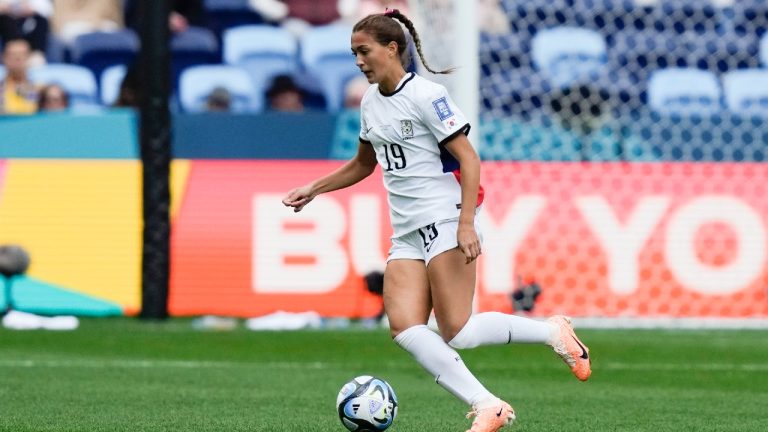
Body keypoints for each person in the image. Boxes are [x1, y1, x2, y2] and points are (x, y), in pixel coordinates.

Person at [282, 9, 591, 432]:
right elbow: (363, 163)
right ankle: (489, 405)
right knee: (405, 328)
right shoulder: (371, 103)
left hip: (446, 221)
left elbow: (469, 158)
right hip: (407, 231)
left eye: (364, 51)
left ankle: (552, 332)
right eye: (353, 53)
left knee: (457, 331)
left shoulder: (427, 96)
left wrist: (466, 224)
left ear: (392, 49)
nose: (358, 61)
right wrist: (314, 189)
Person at [0, 0, 51, 66]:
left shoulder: (39, 18)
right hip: (11, 25)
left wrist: (32, 8)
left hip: (32, 44)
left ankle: (34, 54)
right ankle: (11, 55)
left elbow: (47, 10)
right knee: (5, 19)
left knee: (40, 21)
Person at [0, 38, 39, 114]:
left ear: (29, 58)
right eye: (13, 55)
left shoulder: (40, 90)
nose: (17, 59)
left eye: (22, 55)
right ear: (4, 58)